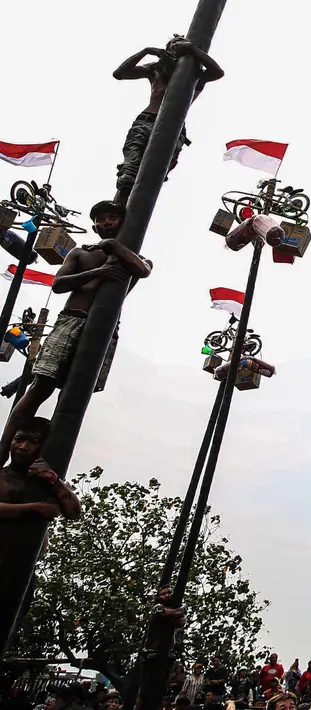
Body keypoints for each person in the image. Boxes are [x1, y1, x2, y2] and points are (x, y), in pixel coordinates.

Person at [0, 200, 152, 467]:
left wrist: (115, 248)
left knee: (75, 393)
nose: (106, 223)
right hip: (71, 320)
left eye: (112, 218)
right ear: (94, 224)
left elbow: (144, 270)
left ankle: (48, 459)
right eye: (100, 219)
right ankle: (4, 448)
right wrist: (99, 272)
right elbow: (59, 284)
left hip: (103, 329)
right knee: (39, 387)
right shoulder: (80, 253)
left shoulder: (131, 257)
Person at [111, 35, 224, 204]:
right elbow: (119, 74)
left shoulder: (196, 75)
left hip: (174, 127)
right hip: (147, 120)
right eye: (173, 44)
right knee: (129, 171)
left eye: (181, 43)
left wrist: (193, 49)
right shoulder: (155, 70)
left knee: (154, 175)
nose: (177, 45)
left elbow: (218, 72)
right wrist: (146, 51)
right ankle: (117, 209)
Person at [0, 416, 80, 647]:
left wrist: (54, 480)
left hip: (19, 572)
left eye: (32, 442)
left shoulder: (43, 482)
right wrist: (35, 508)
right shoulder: (3, 477)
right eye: (19, 439)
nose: (23, 447)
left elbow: (74, 512)